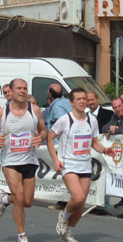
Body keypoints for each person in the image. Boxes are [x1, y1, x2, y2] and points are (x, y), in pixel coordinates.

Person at [47, 87, 115, 242]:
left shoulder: (92, 120)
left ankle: (68, 232)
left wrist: (105, 150)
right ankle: (63, 217)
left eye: (84, 99)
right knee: (77, 197)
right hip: (68, 164)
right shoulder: (65, 120)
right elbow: (50, 139)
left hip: (85, 165)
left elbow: (95, 143)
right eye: (79, 99)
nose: (83, 102)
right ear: (71, 102)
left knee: (81, 203)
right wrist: (55, 159)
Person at [0, 78, 47, 242]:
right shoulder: (1, 112)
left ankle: (5, 199)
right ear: (11, 92)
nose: (22, 91)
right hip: (10, 162)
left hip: (29, 160)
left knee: (27, 201)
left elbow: (44, 130)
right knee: (20, 197)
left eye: (25, 88)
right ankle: (22, 236)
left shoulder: (34, 110)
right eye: (19, 88)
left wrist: (40, 137)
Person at [46, 83, 72, 211]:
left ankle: (64, 202)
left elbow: (62, 124)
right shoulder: (66, 102)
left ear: (50, 95)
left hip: (61, 144)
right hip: (67, 144)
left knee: (64, 173)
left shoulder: (57, 107)